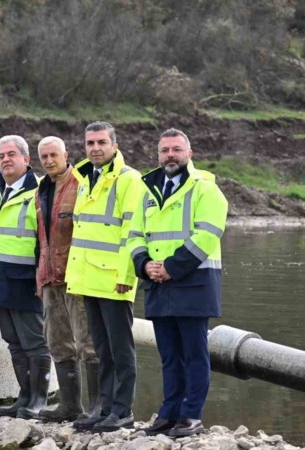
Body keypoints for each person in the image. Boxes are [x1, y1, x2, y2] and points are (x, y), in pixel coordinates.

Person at [129, 129, 228, 437]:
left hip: (193, 282)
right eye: (164, 151)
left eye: (176, 149)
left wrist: (171, 268)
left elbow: (208, 235)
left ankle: (192, 416)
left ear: (190, 153)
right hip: (158, 284)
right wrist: (144, 266)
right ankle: (169, 414)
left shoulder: (205, 189)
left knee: (194, 354)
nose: (169, 155)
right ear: (157, 155)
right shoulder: (147, 191)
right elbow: (134, 235)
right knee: (169, 355)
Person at [66, 122, 144, 432]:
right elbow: (84, 230)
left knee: (121, 350)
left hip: (115, 279)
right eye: (90, 143)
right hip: (89, 278)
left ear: (114, 145)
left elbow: (133, 230)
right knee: (102, 349)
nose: (95, 148)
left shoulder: (129, 180)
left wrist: (127, 274)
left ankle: (123, 411)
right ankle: (106, 409)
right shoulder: (86, 177)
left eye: (101, 142)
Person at [0, 135, 51, 420]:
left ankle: (39, 400)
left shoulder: (39, 192)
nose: (6, 160)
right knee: (13, 340)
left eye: (11, 154)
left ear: (26, 159)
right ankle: (24, 397)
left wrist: (42, 277)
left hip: (27, 279)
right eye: (1, 156)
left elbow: (46, 239)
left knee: (35, 341)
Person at [33, 137, 100, 423]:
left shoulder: (81, 184)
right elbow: (41, 238)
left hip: (77, 276)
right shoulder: (40, 190)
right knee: (58, 341)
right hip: (49, 277)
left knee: (88, 342)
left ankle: (98, 407)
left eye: (54, 155)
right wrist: (40, 276)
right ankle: (70, 405)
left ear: (66, 155)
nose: (49, 161)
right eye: (44, 156)